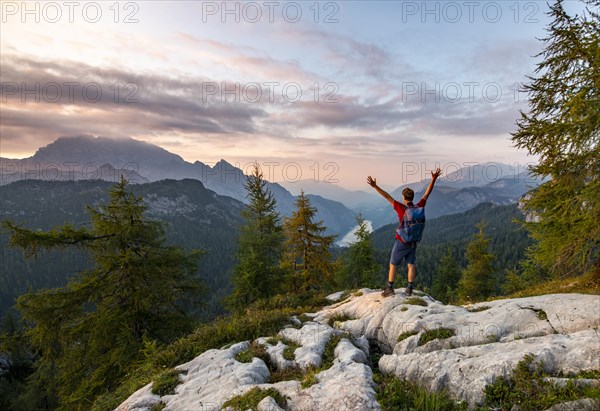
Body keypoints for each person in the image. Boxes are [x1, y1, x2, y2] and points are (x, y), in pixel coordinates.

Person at [367, 168, 441, 297]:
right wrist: (433, 179)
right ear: (412, 197)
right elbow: (427, 193)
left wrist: (375, 186)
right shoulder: (420, 206)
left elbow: (386, 196)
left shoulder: (401, 208)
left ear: (404, 198)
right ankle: (409, 289)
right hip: (413, 242)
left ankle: (390, 288)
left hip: (401, 242)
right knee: (411, 265)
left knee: (393, 264)